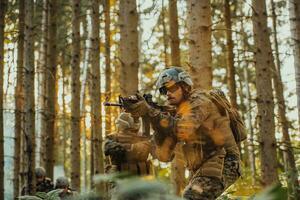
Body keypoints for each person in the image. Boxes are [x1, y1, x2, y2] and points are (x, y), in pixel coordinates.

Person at [127, 67, 241, 200]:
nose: (168, 94)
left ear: (185, 86)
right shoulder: (178, 113)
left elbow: (181, 129)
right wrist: (151, 117)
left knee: (192, 196)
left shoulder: (200, 100)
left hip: (226, 162)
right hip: (204, 167)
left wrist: (151, 112)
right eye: (164, 91)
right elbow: (165, 156)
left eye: (173, 88)